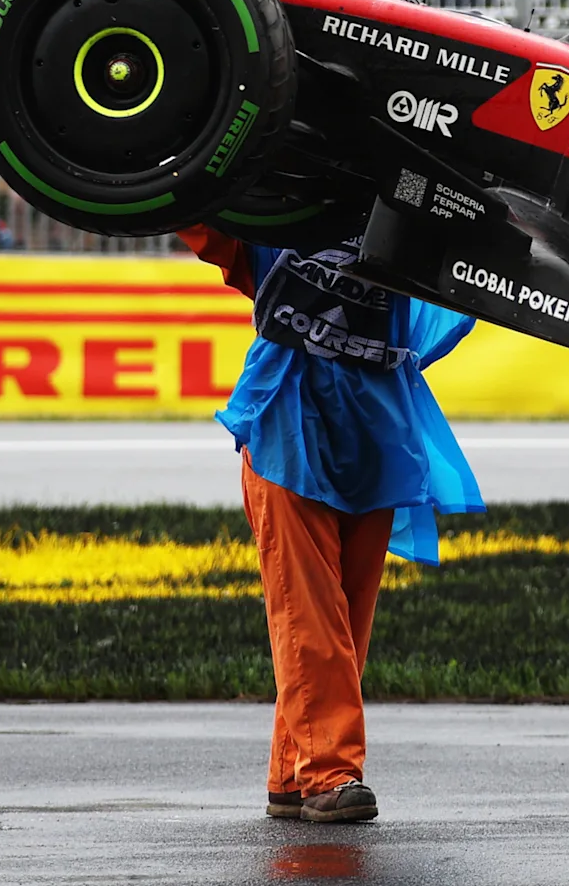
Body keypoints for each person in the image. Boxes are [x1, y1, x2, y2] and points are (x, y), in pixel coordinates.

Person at [177, 222, 485, 824]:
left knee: (345, 619)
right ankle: (329, 773)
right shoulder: (277, 210)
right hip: (289, 432)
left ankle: (293, 773)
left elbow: (466, 285)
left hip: (377, 435)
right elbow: (207, 217)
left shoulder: (408, 207)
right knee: (309, 611)